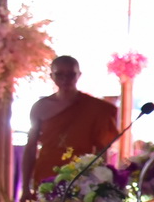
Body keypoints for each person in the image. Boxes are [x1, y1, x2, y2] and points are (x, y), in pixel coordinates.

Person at [22, 56, 119, 193]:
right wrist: (25, 186)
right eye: (59, 74)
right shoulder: (40, 107)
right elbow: (30, 147)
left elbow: (101, 150)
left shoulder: (95, 108)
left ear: (79, 75)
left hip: (82, 175)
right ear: (51, 76)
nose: (65, 79)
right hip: (47, 174)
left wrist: (100, 185)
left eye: (71, 74)